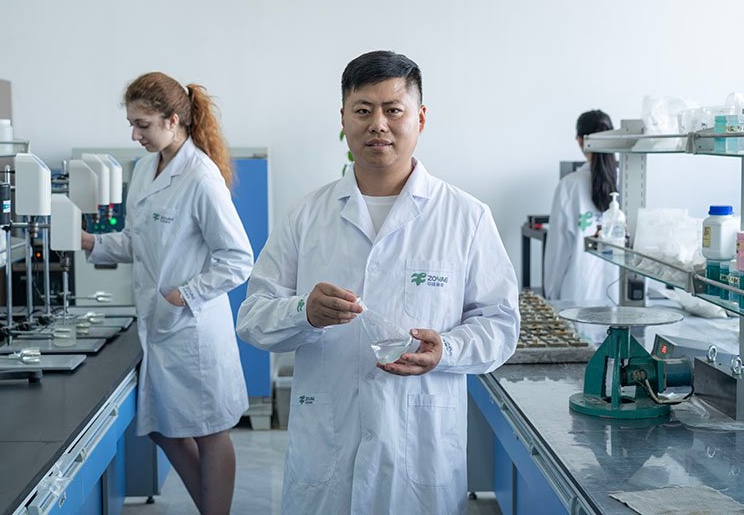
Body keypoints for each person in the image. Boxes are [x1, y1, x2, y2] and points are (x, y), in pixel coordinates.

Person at [237, 51, 519, 514]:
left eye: (394, 110)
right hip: (325, 456)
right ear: (343, 118)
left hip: (419, 458)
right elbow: (251, 317)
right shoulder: (307, 216)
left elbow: (501, 325)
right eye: (363, 110)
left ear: (421, 118)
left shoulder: (465, 217)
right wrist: (303, 312)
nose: (378, 124)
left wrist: (446, 350)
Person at [81, 72, 253, 515]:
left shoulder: (200, 177)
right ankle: (212, 508)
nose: (135, 134)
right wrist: (92, 243)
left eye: (143, 125)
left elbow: (237, 257)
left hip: (191, 327)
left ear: (173, 120)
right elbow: (139, 241)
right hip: (158, 326)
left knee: (209, 430)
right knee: (162, 427)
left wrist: (187, 293)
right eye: (132, 124)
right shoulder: (143, 168)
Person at [544, 110, 620, 303]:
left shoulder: (569, 186)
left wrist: (551, 296)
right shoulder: (629, 182)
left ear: (580, 141)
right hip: (622, 300)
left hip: (578, 297)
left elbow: (557, 252)